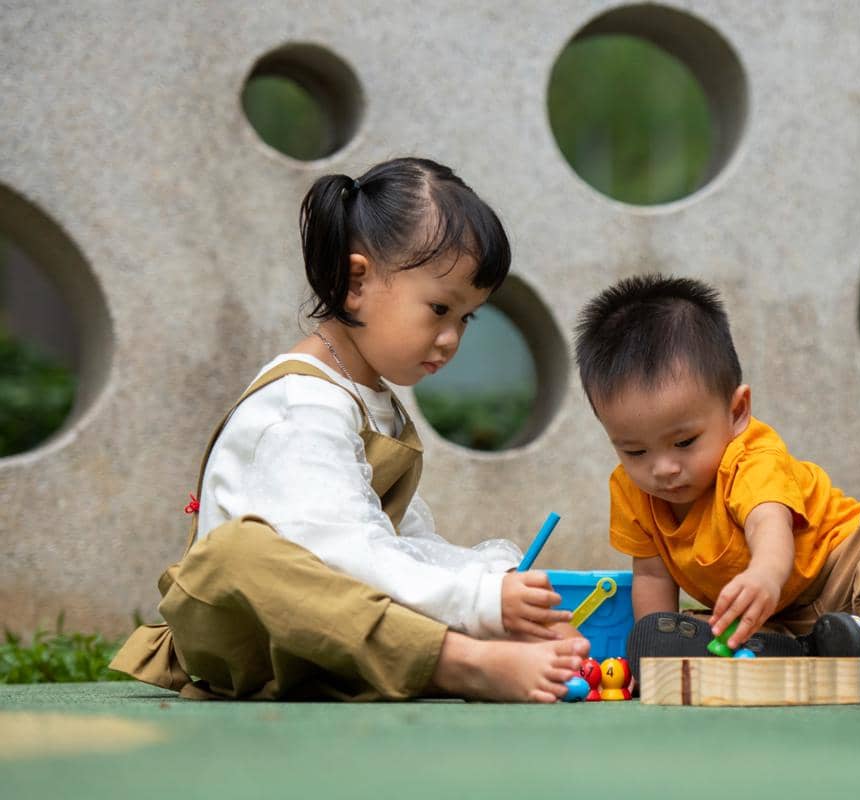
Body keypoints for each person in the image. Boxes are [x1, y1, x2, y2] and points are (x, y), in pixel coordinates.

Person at [111, 157, 588, 702]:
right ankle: (461, 663)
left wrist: (492, 581)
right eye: (439, 309)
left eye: (466, 318)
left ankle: (464, 649)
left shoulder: (371, 399)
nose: (452, 338)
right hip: (253, 635)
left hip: (334, 626)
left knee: (456, 578)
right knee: (239, 553)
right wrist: (475, 601)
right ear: (357, 280)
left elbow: (401, 542)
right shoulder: (304, 404)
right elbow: (345, 553)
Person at [573, 275, 860, 691]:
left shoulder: (751, 457)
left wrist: (764, 574)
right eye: (635, 452)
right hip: (777, 624)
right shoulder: (632, 491)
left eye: (685, 442)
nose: (663, 468)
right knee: (678, 632)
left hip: (850, 581)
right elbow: (652, 576)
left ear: (737, 410)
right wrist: (647, 660)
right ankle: (797, 655)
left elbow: (768, 524)